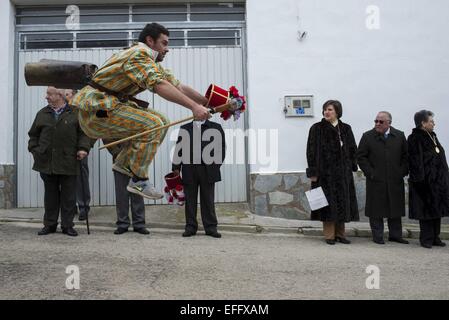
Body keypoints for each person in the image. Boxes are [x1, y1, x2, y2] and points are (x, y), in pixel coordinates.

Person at [71, 23, 210, 200]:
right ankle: (139, 180)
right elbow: (159, 85)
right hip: (95, 112)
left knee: (163, 120)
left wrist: (206, 102)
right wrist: (194, 107)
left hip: (108, 107)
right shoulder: (138, 54)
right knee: (153, 124)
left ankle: (124, 164)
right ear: (150, 41)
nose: (167, 49)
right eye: (164, 43)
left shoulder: (148, 60)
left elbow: (178, 86)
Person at [28, 86, 91, 236]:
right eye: (47, 94)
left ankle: (67, 225)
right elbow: (33, 135)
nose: (46, 97)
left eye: (50, 94)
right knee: (50, 196)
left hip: (69, 160)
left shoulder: (75, 113)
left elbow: (85, 133)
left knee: (68, 197)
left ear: (60, 96)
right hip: (47, 162)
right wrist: (35, 150)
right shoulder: (42, 113)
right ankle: (49, 225)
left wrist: (83, 148)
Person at [306, 100, 359, 245]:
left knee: (343, 204)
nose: (326, 112)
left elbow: (353, 148)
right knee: (327, 205)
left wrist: (352, 165)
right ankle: (329, 235)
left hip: (343, 174)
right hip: (325, 174)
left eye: (330, 110)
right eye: (325, 110)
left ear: (337, 112)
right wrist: (313, 171)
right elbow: (311, 151)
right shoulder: (317, 128)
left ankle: (341, 234)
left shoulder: (346, 128)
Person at [357, 111, 409, 245]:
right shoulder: (368, 136)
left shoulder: (399, 135)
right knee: (376, 209)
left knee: (395, 208)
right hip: (376, 179)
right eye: (376, 121)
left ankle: (395, 235)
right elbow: (361, 157)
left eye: (381, 122)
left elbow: (406, 157)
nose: (377, 124)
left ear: (389, 123)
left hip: (394, 178)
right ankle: (377, 235)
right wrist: (371, 173)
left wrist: (401, 171)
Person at [172, 119, 226, 238]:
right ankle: (190, 227)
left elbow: (221, 149)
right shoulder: (185, 128)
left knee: (208, 199)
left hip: (208, 170)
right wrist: (176, 168)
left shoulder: (216, 127)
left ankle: (211, 227)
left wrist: (215, 166)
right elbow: (178, 150)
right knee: (190, 200)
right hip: (189, 169)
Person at [408, 110, 449, 248]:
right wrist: (420, 181)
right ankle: (426, 238)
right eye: (431, 121)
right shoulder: (415, 138)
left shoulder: (433, 136)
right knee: (426, 212)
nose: (434, 123)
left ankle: (435, 237)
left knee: (437, 211)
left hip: (437, 182)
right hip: (424, 182)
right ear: (423, 123)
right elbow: (415, 161)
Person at [105, 140, 149, 235]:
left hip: (137, 161)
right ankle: (122, 224)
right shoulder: (115, 124)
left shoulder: (138, 124)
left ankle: (139, 224)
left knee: (137, 192)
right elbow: (107, 137)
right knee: (121, 194)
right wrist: (118, 152)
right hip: (119, 161)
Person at [66, 89, 92, 221]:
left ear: (74, 95)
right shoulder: (61, 111)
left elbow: (87, 131)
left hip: (79, 150)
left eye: (67, 95)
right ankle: (70, 207)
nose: (65, 98)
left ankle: (83, 208)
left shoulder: (82, 111)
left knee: (81, 179)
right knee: (65, 181)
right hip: (65, 152)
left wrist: (84, 148)